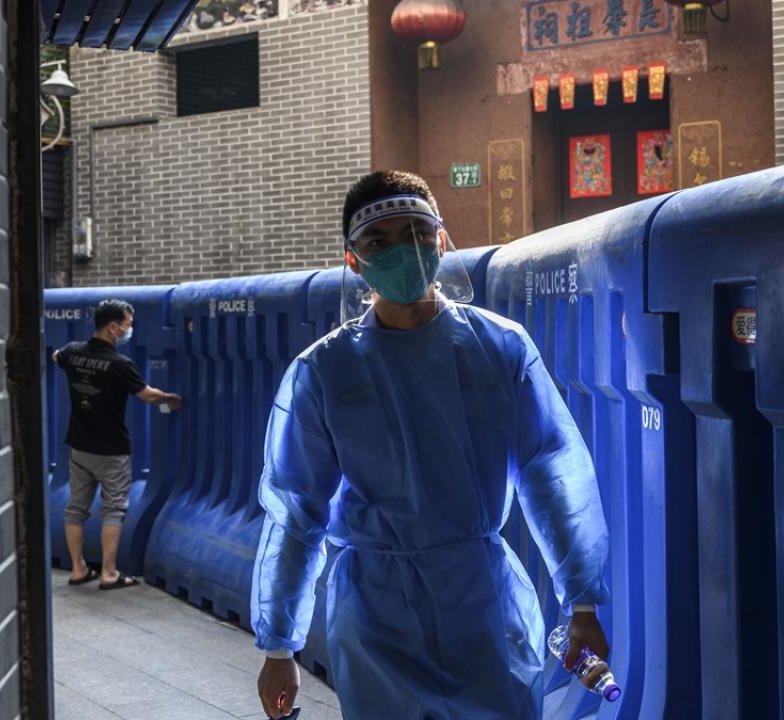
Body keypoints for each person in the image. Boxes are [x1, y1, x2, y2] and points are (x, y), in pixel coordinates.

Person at [252, 171, 613, 719]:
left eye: (416, 233)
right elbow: (296, 513)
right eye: (379, 241)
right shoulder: (324, 372)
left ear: (441, 241)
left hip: (483, 606)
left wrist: (581, 603)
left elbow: (554, 475)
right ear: (353, 260)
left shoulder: (500, 349)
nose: (403, 251)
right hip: (376, 618)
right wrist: (280, 647)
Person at [52, 299, 182, 590]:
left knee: (76, 509)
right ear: (113, 328)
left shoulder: (73, 352)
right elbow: (148, 395)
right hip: (111, 449)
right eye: (127, 324)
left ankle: (78, 569)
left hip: (79, 446)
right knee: (113, 509)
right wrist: (170, 399)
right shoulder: (120, 364)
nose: (129, 329)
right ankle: (109, 573)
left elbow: (56, 356)